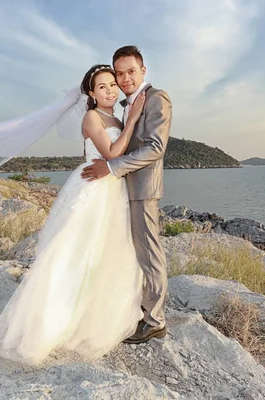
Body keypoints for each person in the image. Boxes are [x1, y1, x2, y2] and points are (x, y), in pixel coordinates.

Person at [0, 63, 146, 365]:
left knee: (107, 253)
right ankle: (50, 324)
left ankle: (92, 317)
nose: (110, 90)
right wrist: (133, 120)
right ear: (90, 93)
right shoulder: (92, 116)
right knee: (74, 253)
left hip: (113, 188)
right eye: (102, 86)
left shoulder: (114, 115)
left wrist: (129, 120)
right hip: (93, 188)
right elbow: (111, 153)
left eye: (113, 84)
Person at [82, 45, 173, 344]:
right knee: (131, 253)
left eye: (130, 72)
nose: (124, 79)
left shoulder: (157, 98)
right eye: (119, 73)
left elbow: (155, 148)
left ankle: (155, 320)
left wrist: (111, 167)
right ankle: (136, 308)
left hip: (142, 189)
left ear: (143, 71)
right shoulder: (123, 106)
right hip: (122, 190)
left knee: (150, 252)